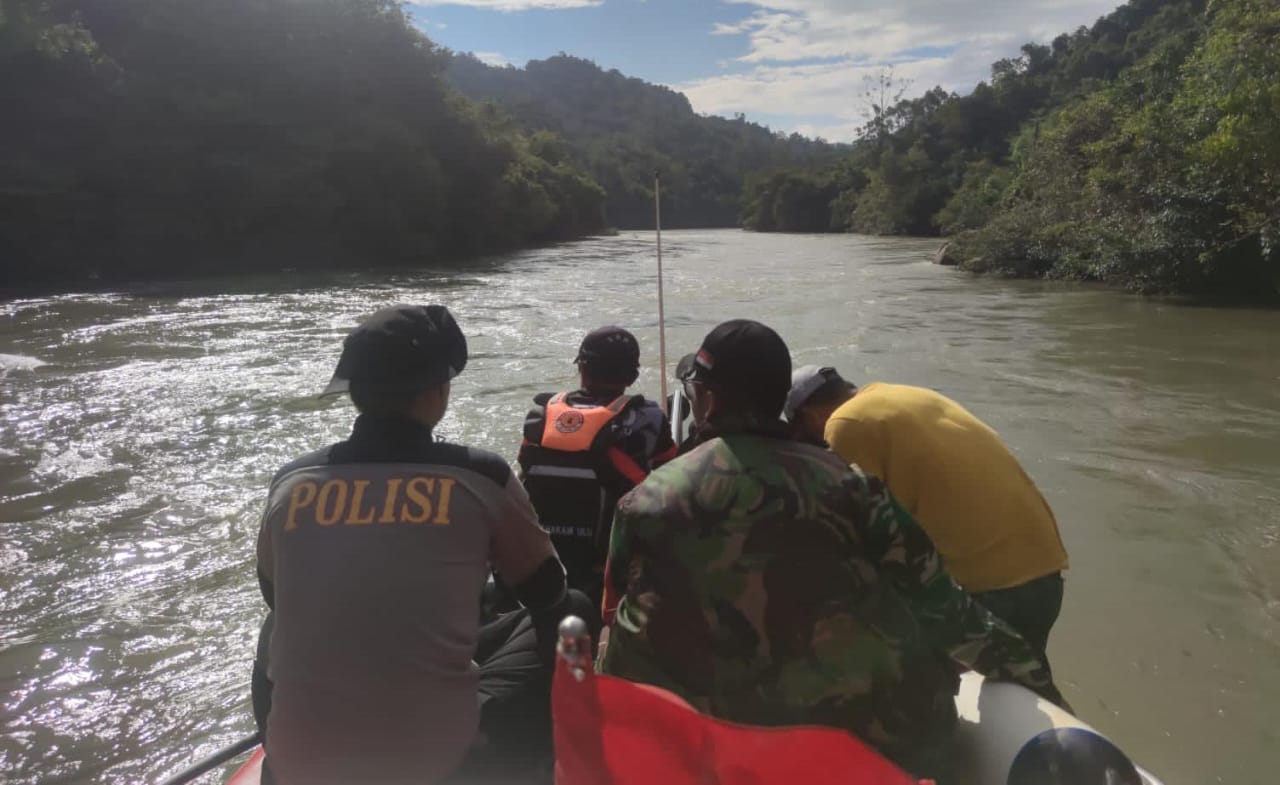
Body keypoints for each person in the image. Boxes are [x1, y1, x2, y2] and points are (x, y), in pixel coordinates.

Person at [597, 319, 1065, 782]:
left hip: (729, 749)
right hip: (875, 747)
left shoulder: (645, 502)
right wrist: (1034, 678)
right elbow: (946, 610)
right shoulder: (854, 487)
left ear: (710, 400)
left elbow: (616, 617)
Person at [252, 304, 597, 785]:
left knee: (278, 622)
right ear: (436, 391)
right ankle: (541, 761)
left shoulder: (291, 481)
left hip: (296, 765)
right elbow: (546, 593)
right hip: (437, 762)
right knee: (574, 611)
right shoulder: (479, 476)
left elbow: (275, 596)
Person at [785, 367, 1069, 655]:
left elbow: (850, 531)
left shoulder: (845, 424)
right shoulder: (904, 396)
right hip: (1043, 570)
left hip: (992, 591)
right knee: (1029, 682)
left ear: (810, 417)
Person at [517, 326, 676, 606]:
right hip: (607, 565)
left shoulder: (541, 416)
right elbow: (673, 474)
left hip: (543, 559)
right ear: (633, 376)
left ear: (581, 367)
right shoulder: (649, 417)